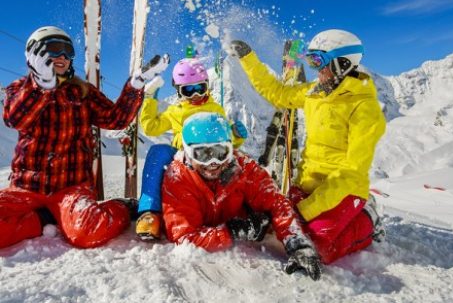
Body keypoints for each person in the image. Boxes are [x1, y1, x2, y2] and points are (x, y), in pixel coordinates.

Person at [224, 29, 386, 265]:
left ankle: (368, 219)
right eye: (311, 61)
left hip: (343, 192)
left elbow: (352, 173)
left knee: (317, 249)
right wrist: (249, 58)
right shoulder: (314, 93)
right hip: (307, 183)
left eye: (319, 61)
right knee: (285, 233)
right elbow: (277, 93)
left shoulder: (364, 108)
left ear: (342, 63)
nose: (315, 68)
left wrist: (306, 209)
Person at [0, 26, 168, 249]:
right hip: (26, 188)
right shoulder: (20, 89)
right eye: (53, 49)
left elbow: (115, 119)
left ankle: (122, 207)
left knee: (87, 232)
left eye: (67, 51)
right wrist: (41, 86)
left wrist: (135, 85)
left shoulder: (81, 92)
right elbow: (14, 118)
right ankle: (44, 217)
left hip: (71, 189)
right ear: (33, 55)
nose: (62, 57)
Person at [162, 112, 322, 280]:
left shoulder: (243, 167)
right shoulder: (178, 177)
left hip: (241, 223)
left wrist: (297, 243)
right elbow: (184, 237)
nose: (213, 163)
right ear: (187, 153)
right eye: (202, 154)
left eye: (220, 152)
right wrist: (233, 231)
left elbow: (276, 201)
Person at [135, 58, 248, 240]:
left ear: (207, 86)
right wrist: (149, 100)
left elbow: (226, 142)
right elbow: (150, 128)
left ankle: (243, 208)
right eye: (188, 90)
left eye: (199, 88)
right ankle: (150, 213)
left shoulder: (215, 109)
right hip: (182, 157)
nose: (195, 94)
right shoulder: (175, 111)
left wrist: (236, 135)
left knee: (238, 159)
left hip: (209, 157)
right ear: (179, 91)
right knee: (159, 151)